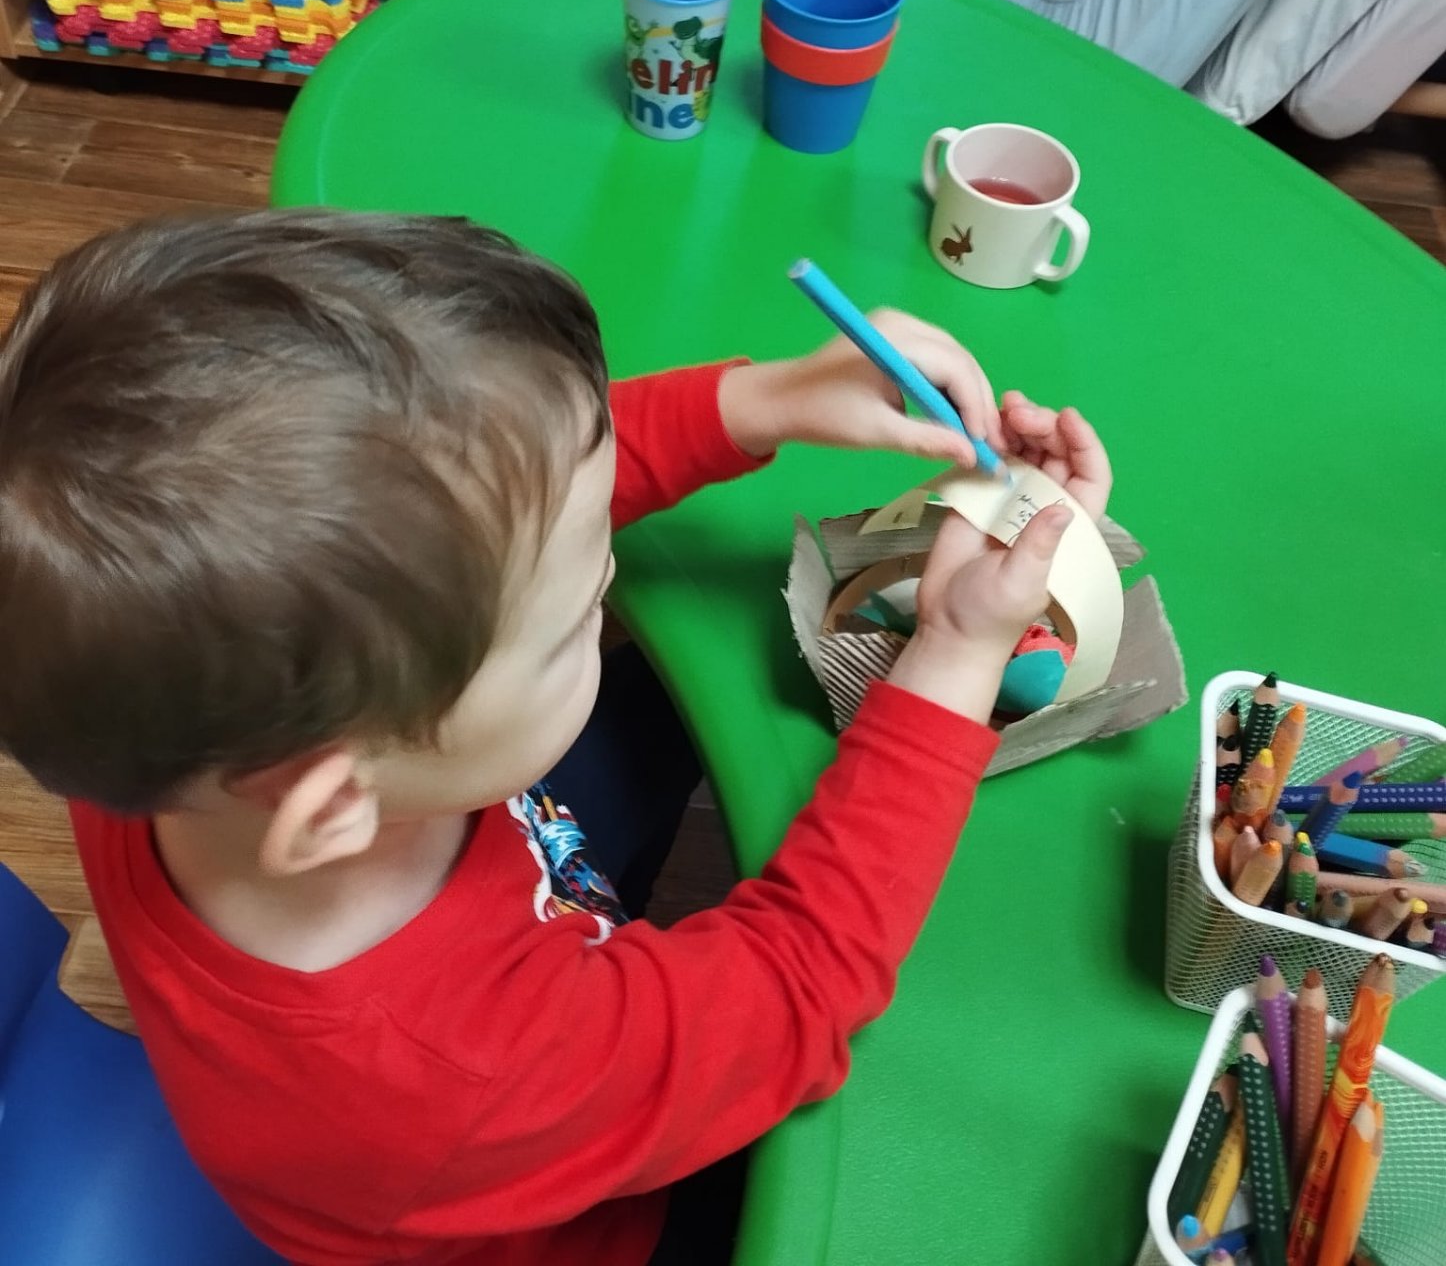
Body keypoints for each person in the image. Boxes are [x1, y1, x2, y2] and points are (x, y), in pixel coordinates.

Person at [0, 210, 1110, 1266]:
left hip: (493, 940)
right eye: (581, 613)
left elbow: (486, 514)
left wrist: (765, 400)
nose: (610, 571)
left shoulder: (156, 700)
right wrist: (956, 655)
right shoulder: (467, 1069)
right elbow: (802, 987)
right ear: (334, 802)